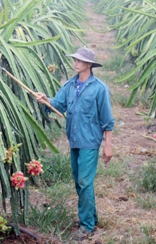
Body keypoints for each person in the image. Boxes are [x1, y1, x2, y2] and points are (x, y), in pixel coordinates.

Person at [35, 46, 114, 241]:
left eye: (79, 60)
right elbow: (58, 104)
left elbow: (107, 119)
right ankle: (91, 218)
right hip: (74, 140)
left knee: (85, 182)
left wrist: (108, 145)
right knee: (80, 182)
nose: (75, 62)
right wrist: (45, 100)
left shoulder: (99, 88)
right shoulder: (69, 86)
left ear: (89, 64)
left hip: (90, 141)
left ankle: (86, 226)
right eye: (75, 59)